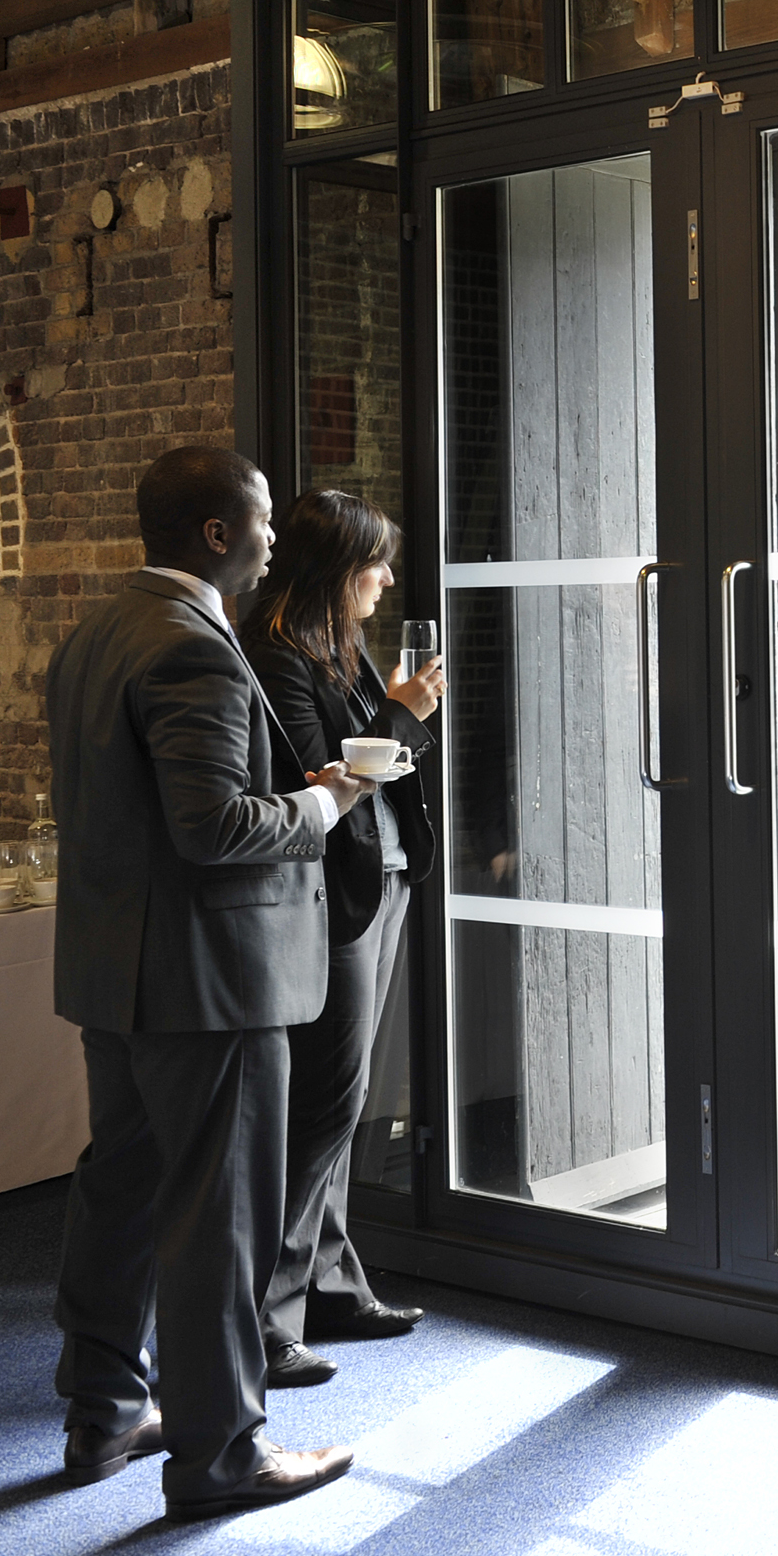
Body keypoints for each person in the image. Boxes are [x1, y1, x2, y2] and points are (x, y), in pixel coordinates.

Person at [45, 446, 365, 1520]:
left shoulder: (96, 633)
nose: (276, 537)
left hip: (113, 973)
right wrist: (323, 805)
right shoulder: (193, 647)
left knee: (121, 1193)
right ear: (218, 534)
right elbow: (217, 827)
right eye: (264, 519)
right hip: (206, 985)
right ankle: (222, 1453)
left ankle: (100, 1417)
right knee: (214, 1217)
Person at [241, 491, 444, 1386]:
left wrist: (403, 719)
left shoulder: (339, 645)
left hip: (382, 880)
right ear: (337, 568)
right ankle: (262, 1319)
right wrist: (399, 715)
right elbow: (322, 775)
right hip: (332, 894)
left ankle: (328, 1282)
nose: (388, 578)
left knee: (343, 1097)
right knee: (324, 1102)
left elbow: (383, 762)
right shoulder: (278, 653)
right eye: (376, 562)